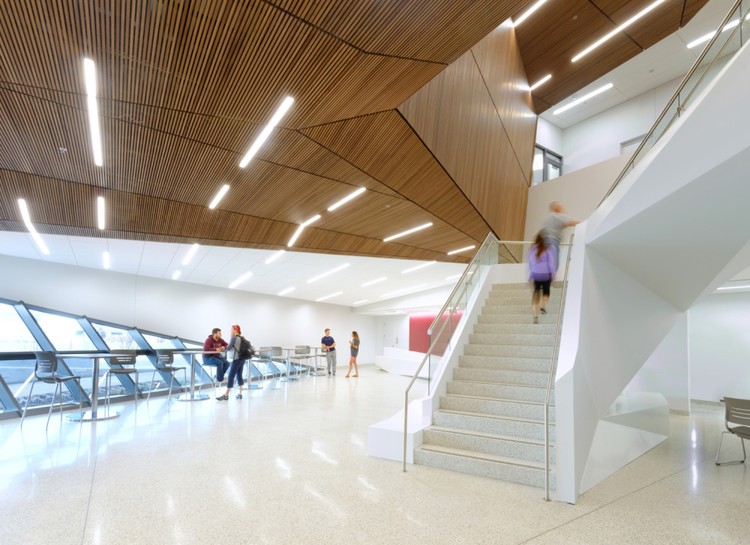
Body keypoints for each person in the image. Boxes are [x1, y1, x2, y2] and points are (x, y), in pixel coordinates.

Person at [528, 232, 557, 324]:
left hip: (536, 274)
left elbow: (530, 263)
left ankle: (535, 316)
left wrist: (530, 276)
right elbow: (551, 264)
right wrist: (553, 275)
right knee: (546, 292)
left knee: (536, 294)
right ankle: (543, 306)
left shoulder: (532, 250)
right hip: (546, 275)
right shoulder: (547, 249)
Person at [541, 201, 579, 266]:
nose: (562, 208)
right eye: (560, 206)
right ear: (556, 208)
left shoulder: (549, 218)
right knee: (554, 262)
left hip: (544, 241)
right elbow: (570, 222)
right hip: (552, 240)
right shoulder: (557, 216)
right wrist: (585, 223)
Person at [217, 325, 248, 400]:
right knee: (239, 375)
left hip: (236, 359)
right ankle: (240, 394)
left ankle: (226, 395)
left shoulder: (234, 338)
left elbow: (228, 348)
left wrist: (221, 347)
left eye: (231, 330)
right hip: (242, 359)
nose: (230, 331)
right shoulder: (242, 338)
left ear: (235, 330)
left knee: (231, 376)